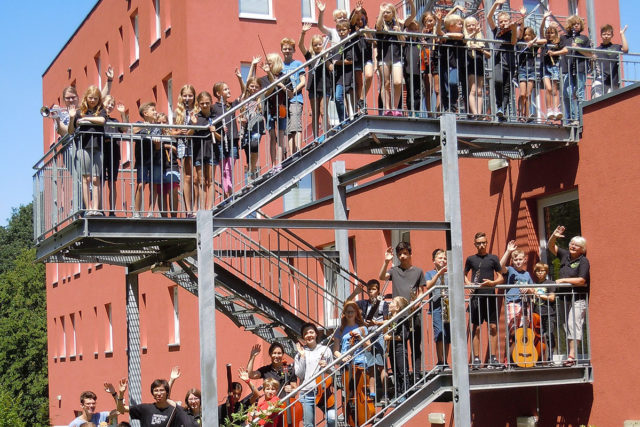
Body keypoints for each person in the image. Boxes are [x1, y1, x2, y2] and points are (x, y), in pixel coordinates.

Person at [379, 241, 425, 374]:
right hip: (397, 316)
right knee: (400, 347)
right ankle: (404, 377)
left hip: (414, 313)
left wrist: (415, 304)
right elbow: (382, 276)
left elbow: (422, 292)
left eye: (405, 253)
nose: (402, 256)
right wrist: (386, 261)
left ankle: (416, 375)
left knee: (416, 346)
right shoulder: (394, 270)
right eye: (400, 254)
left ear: (410, 254)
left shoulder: (418, 271)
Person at [547, 225, 590, 367]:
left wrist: (563, 280)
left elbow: (582, 280)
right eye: (571, 243)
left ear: (582, 249)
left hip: (577, 298)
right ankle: (570, 354)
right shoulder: (565, 255)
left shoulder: (583, 261)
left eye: (576, 245)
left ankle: (572, 356)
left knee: (573, 324)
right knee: (567, 326)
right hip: (564, 298)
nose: (572, 246)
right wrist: (554, 235)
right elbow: (550, 246)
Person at [465, 231, 504, 369]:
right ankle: (476, 359)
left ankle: (493, 358)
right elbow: (463, 274)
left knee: (493, 327)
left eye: (484, 242)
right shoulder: (471, 259)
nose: (481, 245)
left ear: (486, 243)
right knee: (475, 329)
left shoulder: (493, 258)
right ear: (475, 244)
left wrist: (493, 283)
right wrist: (468, 284)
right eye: (479, 243)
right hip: (476, 297)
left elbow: (501, 277)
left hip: (491, 296)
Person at [333, 301, 376, 423]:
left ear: (356, 313)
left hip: (360, 362)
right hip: (346, 365)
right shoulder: (340, 330)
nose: (350, 314)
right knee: (347, 393)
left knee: (361, 392)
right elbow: (336, 350)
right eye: (348, 312)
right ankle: (349, 419)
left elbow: (368, 347)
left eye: (352, 311)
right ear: (344, 313)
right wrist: (342, 357)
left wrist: (361, 339)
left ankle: (363, 417)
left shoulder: (362, 329)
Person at [68, 85, 107, 217]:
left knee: (96, 178)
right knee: (86, 178)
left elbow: (102, 121)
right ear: (86, 97)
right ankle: (88, 208)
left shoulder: (100, 110)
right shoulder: (79, 111)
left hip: (97, 147)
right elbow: (70, 131)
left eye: (95, 98)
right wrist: (73, 118)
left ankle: (96, 208)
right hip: (83, 147)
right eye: (90, 98)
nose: (92, 100)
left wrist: (86, 120)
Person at [375, 1, 415, 116]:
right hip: (384, 56)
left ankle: (395, 107)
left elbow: (403, 41)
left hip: (397, 57)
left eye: (388, 12)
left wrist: (411, 4)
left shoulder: (399, 23)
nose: (386, 14)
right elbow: (377, 27)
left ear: (393, 13)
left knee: (397, 82)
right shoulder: (381, 23)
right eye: (384, 12)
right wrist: (380, 12)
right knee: (386, 83)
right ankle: (387, 108)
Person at [294, 322, 335, 427]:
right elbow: (300, 375)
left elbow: (333, 371)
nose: (309, 335)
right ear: (303, 337)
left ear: (316, 334)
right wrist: (302, 357)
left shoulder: (325, 350)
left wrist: (326, 366)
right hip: (307, 392)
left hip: (324, 391)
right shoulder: (300, 353)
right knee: (308, 425)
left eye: (311, 332)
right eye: (306, 333)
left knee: (332, 418)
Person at [499, 240, 534, 360]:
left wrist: (528, 289)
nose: (518, 262)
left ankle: (521, 357)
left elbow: (533, 291)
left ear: (524, 260)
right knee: (513, 332)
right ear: (513, 261)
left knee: (523, 331)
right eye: (516, 260)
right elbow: (500, 266)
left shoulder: (527, 274)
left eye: (520, 259)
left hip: (524, 304)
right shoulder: (510, 271)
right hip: (512, 303)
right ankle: (510, 359)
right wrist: (508, 251)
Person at [356, 279, 389, 403]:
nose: (371, 292)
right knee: (371, 367)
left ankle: (385, 394)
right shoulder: (363, 304)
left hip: (379, 335)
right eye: (369, 289)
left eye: (374, 289)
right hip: (367, 337)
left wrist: (376, 322)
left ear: (378, 290)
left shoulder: (383, 304)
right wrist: (355, 292)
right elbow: (347, 304)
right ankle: (373, 393)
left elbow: (387, 321)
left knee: (382, 366)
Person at [299, 24, 331, 141]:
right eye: (315, 44)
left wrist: (325, 55)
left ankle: (326, 134)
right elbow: (300, 46)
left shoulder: (326, 55)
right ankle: (316, 137)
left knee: (323, 111)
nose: (318, 46)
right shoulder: (310, 57)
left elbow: (330, 67)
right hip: (313, 87)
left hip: (325, 86)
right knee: (315, 113)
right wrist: (303, 33)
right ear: (312, 46)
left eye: (319, 44)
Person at [116, 377, 191, 426]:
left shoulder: (174, 411)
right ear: (153, 393)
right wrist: (121, 393)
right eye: (156, 391)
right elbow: (121, 409)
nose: (159, 393)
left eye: (161, 390)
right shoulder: (145, 409)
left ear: (167, 392)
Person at [487, 0, 518, 120]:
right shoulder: (497, 31)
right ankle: (499, 105)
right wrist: (496, 4)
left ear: (509, 21)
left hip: (509, 61)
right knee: (498, 81)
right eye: (501, 21)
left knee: (507, 87)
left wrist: (514, 28)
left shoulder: (511, 31)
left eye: (506, 21)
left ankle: (502, 111)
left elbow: (514, 41)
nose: (503, 23)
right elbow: (489, 17)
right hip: (498, 60)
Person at [212, 81, 241, 200]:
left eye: (228, 89)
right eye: (225, 89)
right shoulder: (214, 107)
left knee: (229, 169)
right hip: (220, 142)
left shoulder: (230, 105)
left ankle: (228, 196)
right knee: (224, 171)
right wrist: (218, 128)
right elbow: (211, 122)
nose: (229, 90)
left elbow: (244, 94)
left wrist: (240, 78)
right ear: (218, 93)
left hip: (232, 141)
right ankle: (227, 197)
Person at [561, 15, 592, 124]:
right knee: (566, 93)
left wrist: (578, 48)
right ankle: (570, 117)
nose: (576, 26)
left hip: (580, 68)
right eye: (574, 24)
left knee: (579, 93)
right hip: (568, 68)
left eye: (578, 24)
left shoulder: (584, 38)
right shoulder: (564, 38)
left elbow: (590, 54)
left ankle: (578, 118)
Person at [132, 102, 161, 217]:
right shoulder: (139, 124)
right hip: (142, 159)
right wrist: (145, 125)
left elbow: (158, 147)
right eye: (153, 110)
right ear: (145, 113)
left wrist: (157, 143)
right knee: (140, 184)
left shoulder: (158, 127)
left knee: (153, 185)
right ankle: (136, 211)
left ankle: (150, 212)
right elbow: (133, 131)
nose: (156, 112)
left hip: (155, 159)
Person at [173, 84, 198, 215]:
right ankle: (188, 209)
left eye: (190, 95)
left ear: (194, 97)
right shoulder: (178, 112)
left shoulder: (197, 110)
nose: (187, 98)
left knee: (196, 178)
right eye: (185, 95)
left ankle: (196, 208)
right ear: (181, 97)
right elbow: (170, 132)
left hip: (197, 144)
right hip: (184, 145)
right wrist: (179, 132)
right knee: (187, 177)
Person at [424, 248, 451, 370]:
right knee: (439, 333)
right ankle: (440, 361)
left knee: (448, 334)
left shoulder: (450, 273)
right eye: (440, 258)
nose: (443, 260)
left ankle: (445, 361)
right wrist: (438, 275)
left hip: (448, 305)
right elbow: (428, 285)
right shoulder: (430, 273)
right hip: (436, 306)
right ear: (433, 260)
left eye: (445, 258)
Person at [279, 38, 306, 158]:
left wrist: (293, 92)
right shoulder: (280, 66)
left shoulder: (298, 64)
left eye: (290, 49)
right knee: (288, 129)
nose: (287, 51)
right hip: (284, 102)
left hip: (296, 99)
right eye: (285, 48)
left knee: (296, 125)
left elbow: (303, 81)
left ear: (294, 50)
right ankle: (291, 154)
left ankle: (298, 149)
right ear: (281, 50)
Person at [102, 96, 128, 215]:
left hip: (114, 153)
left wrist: (123, 114)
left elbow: (125, 128)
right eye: (108, 103)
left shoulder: (115, 121)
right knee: (100, 181)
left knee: (112, 182)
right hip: (101, 152)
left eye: (112, 104)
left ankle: (112, 210)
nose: (110, 106)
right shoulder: (99, 120)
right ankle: (99, 209)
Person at [539, 12, 567, 121]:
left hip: (554, 66)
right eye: (548, 33)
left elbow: (565, 50)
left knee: (555, 90)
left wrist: (554, 53)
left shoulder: (558, 42)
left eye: (552, 33)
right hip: (545, 67)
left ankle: (556, 109)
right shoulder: (545, 41)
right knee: (548, 88)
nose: (550, 35)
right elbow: (541, 31)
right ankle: (549, 109)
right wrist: (544, 18)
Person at [437, 13, 467, 113]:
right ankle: (447, 107)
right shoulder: (444, 34)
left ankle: (453, 104)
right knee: (444, 86)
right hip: (444, 63)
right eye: (459, 24)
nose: (461, 26)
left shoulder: (460, 35)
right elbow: (438, 32)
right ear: (451, 25)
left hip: (455, 64)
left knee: (453, 82)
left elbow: (461, 36)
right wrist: (439, 21)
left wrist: (447, 35)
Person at [193, 91, 217, 211]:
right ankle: (202, 208)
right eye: (202, 103)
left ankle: (209, 208)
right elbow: (189, 134)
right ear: (198, 104)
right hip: (198, 151)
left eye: (207, 103)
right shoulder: (196, 117)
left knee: (210, 180)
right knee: (201, 180)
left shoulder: (216, 117)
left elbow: (221, 137)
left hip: (212, 150)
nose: (205, 105)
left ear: (211, 103)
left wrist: (214, 131)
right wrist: (193, 124)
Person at [384, 296, 410, 402]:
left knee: (402, 372)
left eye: (393, 302)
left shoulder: (401, 319)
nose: (390, 304)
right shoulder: (391, 319)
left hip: (399, 349)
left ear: (398, 307)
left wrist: (389, 337)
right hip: (392, 350)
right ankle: (398, 393)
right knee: (395, 372)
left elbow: (403, 336)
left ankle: (405, 393)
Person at [464, 16, 490, 118]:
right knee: (473, 90)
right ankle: (474, 113)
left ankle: (480, 113)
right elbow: (465, 41)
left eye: (473, 25)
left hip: (480, 65)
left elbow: (489, 54)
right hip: (470, 65)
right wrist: (474, 34)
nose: (471, 27)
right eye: (468, 25)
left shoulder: (481, 39)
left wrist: (480, 49)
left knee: (479, 91)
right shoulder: (465, 37)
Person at [350, 2, 374, 113]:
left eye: (362, 19)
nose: (360, 21)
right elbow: (352, 21)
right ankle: (361, 109)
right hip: (356, 58)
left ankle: (362, 99)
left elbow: (372, 41)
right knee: (359, 84)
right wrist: (357, 12)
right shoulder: (352, 29)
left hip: (367, 57)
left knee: (369, 75)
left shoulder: (368, 29)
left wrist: (366, 30)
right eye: (358, 19)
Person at [516, 27, 544, 121]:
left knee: (528, 94)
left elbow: (544, 40)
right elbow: (519, 51)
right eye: (525, 35)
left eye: (529, 35)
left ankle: (526, 115)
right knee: (523, 93)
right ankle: (520, 114)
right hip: (522, 69)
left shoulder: (534, 45)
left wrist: (534, 41)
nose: (527, 37)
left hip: (532, 70)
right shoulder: (520, 44)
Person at [531, 262, 556, 364]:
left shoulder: (550, 283)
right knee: (538, 336)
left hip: (549, 313)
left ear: (546, 272)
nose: (539, 273)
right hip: (537, 314)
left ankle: (551, 356)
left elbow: (551, 298)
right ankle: (540, 357)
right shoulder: (534, 284)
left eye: (542, 271)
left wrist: (538, 295)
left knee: (549, 334)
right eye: (537, 271)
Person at [596, 24, 629, 93]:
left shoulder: (616, 47)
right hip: (601, 80)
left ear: (612, 35)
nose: (606, 36)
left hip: (614, 80)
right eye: (604, 34)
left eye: (608, 34)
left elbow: (626, 49)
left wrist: (622, 34)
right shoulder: (597, 50)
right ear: (601, 35)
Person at [332, 21, 355, 123]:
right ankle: (343, 120)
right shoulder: (338, 45)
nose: (341, 32)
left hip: (345, 76)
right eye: (339, 30)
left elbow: (350, 61)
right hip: (337, 76)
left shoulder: (349, 44)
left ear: (349, 31)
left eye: (343, 30)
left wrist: (337, 63)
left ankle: (344, 120)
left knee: (338, 97)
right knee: (338, 98)